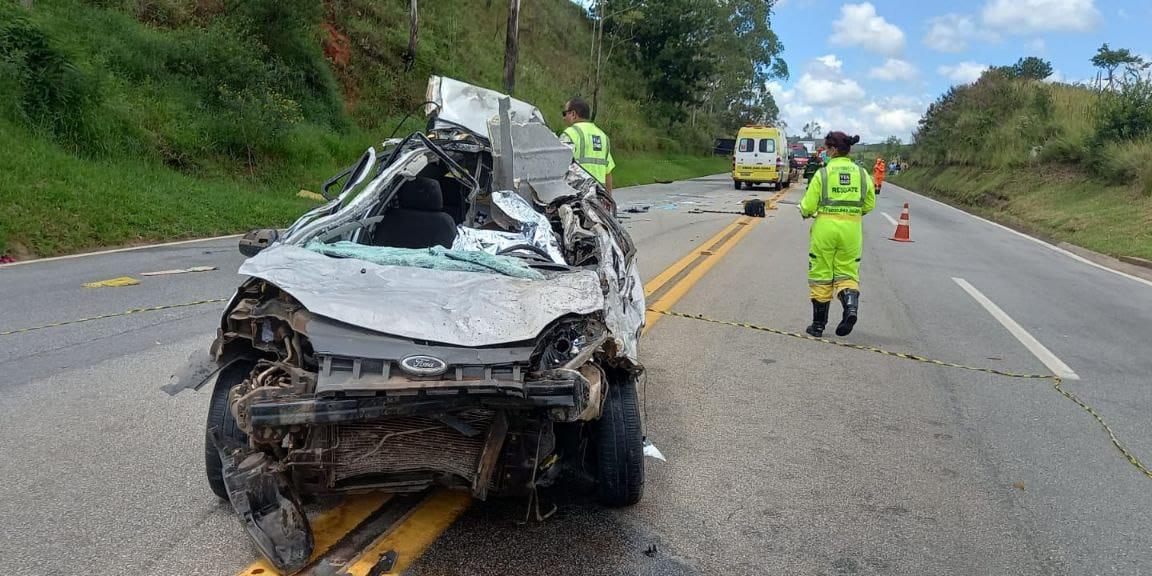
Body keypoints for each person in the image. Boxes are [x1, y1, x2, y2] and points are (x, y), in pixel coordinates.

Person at [799, 131, 876, 337]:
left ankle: (818, 326)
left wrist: (806, 212)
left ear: (832, 149)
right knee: (847, 273)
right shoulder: (862, 174)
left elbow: (807, 206)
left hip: (825, 230)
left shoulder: (823, 174)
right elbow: (869, 204)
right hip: (851, 230)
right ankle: (850, 308)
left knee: (821, 275)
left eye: (826, 148)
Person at [559, 98, 615, 194]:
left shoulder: (570, 134)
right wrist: (609, 198)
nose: (564, 117)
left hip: (576, 197)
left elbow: (558, 166)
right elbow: (608, 173)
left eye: (565, 113)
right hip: (599, 197)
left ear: (573, 114)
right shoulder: (602, 136)